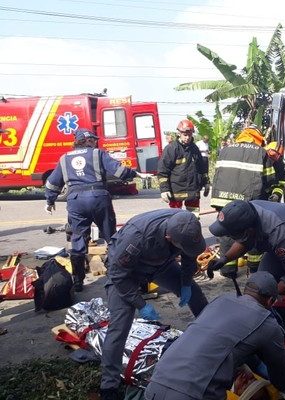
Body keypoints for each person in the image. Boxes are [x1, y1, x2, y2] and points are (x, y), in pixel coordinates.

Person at [207, 200, 285, 393]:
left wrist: (269, 294)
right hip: (283, 243)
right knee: (256, 288)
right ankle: (260, 348)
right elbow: (243, 241)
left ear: (249, 231)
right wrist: (224, 258)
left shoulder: (280, 233)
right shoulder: (244, 212)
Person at [99, 209, 209, 400]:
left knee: (196, 295)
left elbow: (189, 256)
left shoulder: (185, 224)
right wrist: (140, 304)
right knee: (120, 324)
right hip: (126, 272)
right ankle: (109, 385)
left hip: (161, 264)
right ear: (168, 236)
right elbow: (118, 275)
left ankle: (214, 334)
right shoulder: (137, 237)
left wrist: (185, 284)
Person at [144, 271, 285, 400]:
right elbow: (279, 368)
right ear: (271, 301)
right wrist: (281, 389)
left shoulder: (221, 300)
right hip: (194, 392)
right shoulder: (267, 323)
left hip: (156, 382)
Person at [44, 128, 151, 292]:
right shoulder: (97, 154)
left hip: (75, 201)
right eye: (93, 140)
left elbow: (53, 182)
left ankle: (78, 281)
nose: (95, 142)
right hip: (98, 198)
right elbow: (119, 170)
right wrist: (135, 174)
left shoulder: (64, 158)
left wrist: (50, 200)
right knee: (111, 237)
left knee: (78, 240)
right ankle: (116, 275)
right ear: (86, 141)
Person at [210, 125, 281, 275]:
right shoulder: (260, 152)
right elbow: (269, 179)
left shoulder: (226, 149)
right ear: (257, 137)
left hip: (222, 200)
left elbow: (217, 175)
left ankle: (228, 269)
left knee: (226, 233)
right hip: (246, 204)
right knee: (251, 233)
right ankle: (255, 268)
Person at [158, 119, 210, 217]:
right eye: (185, 135)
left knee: (194, 218)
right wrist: (164, 189)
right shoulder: (171, 149)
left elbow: (201, 168)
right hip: (176, 191)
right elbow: (162, 171)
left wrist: (206, 182)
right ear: (179, 134)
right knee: (175, 219)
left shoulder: (195, 149)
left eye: (189, 135)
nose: (187, 138)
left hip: (193, 191)